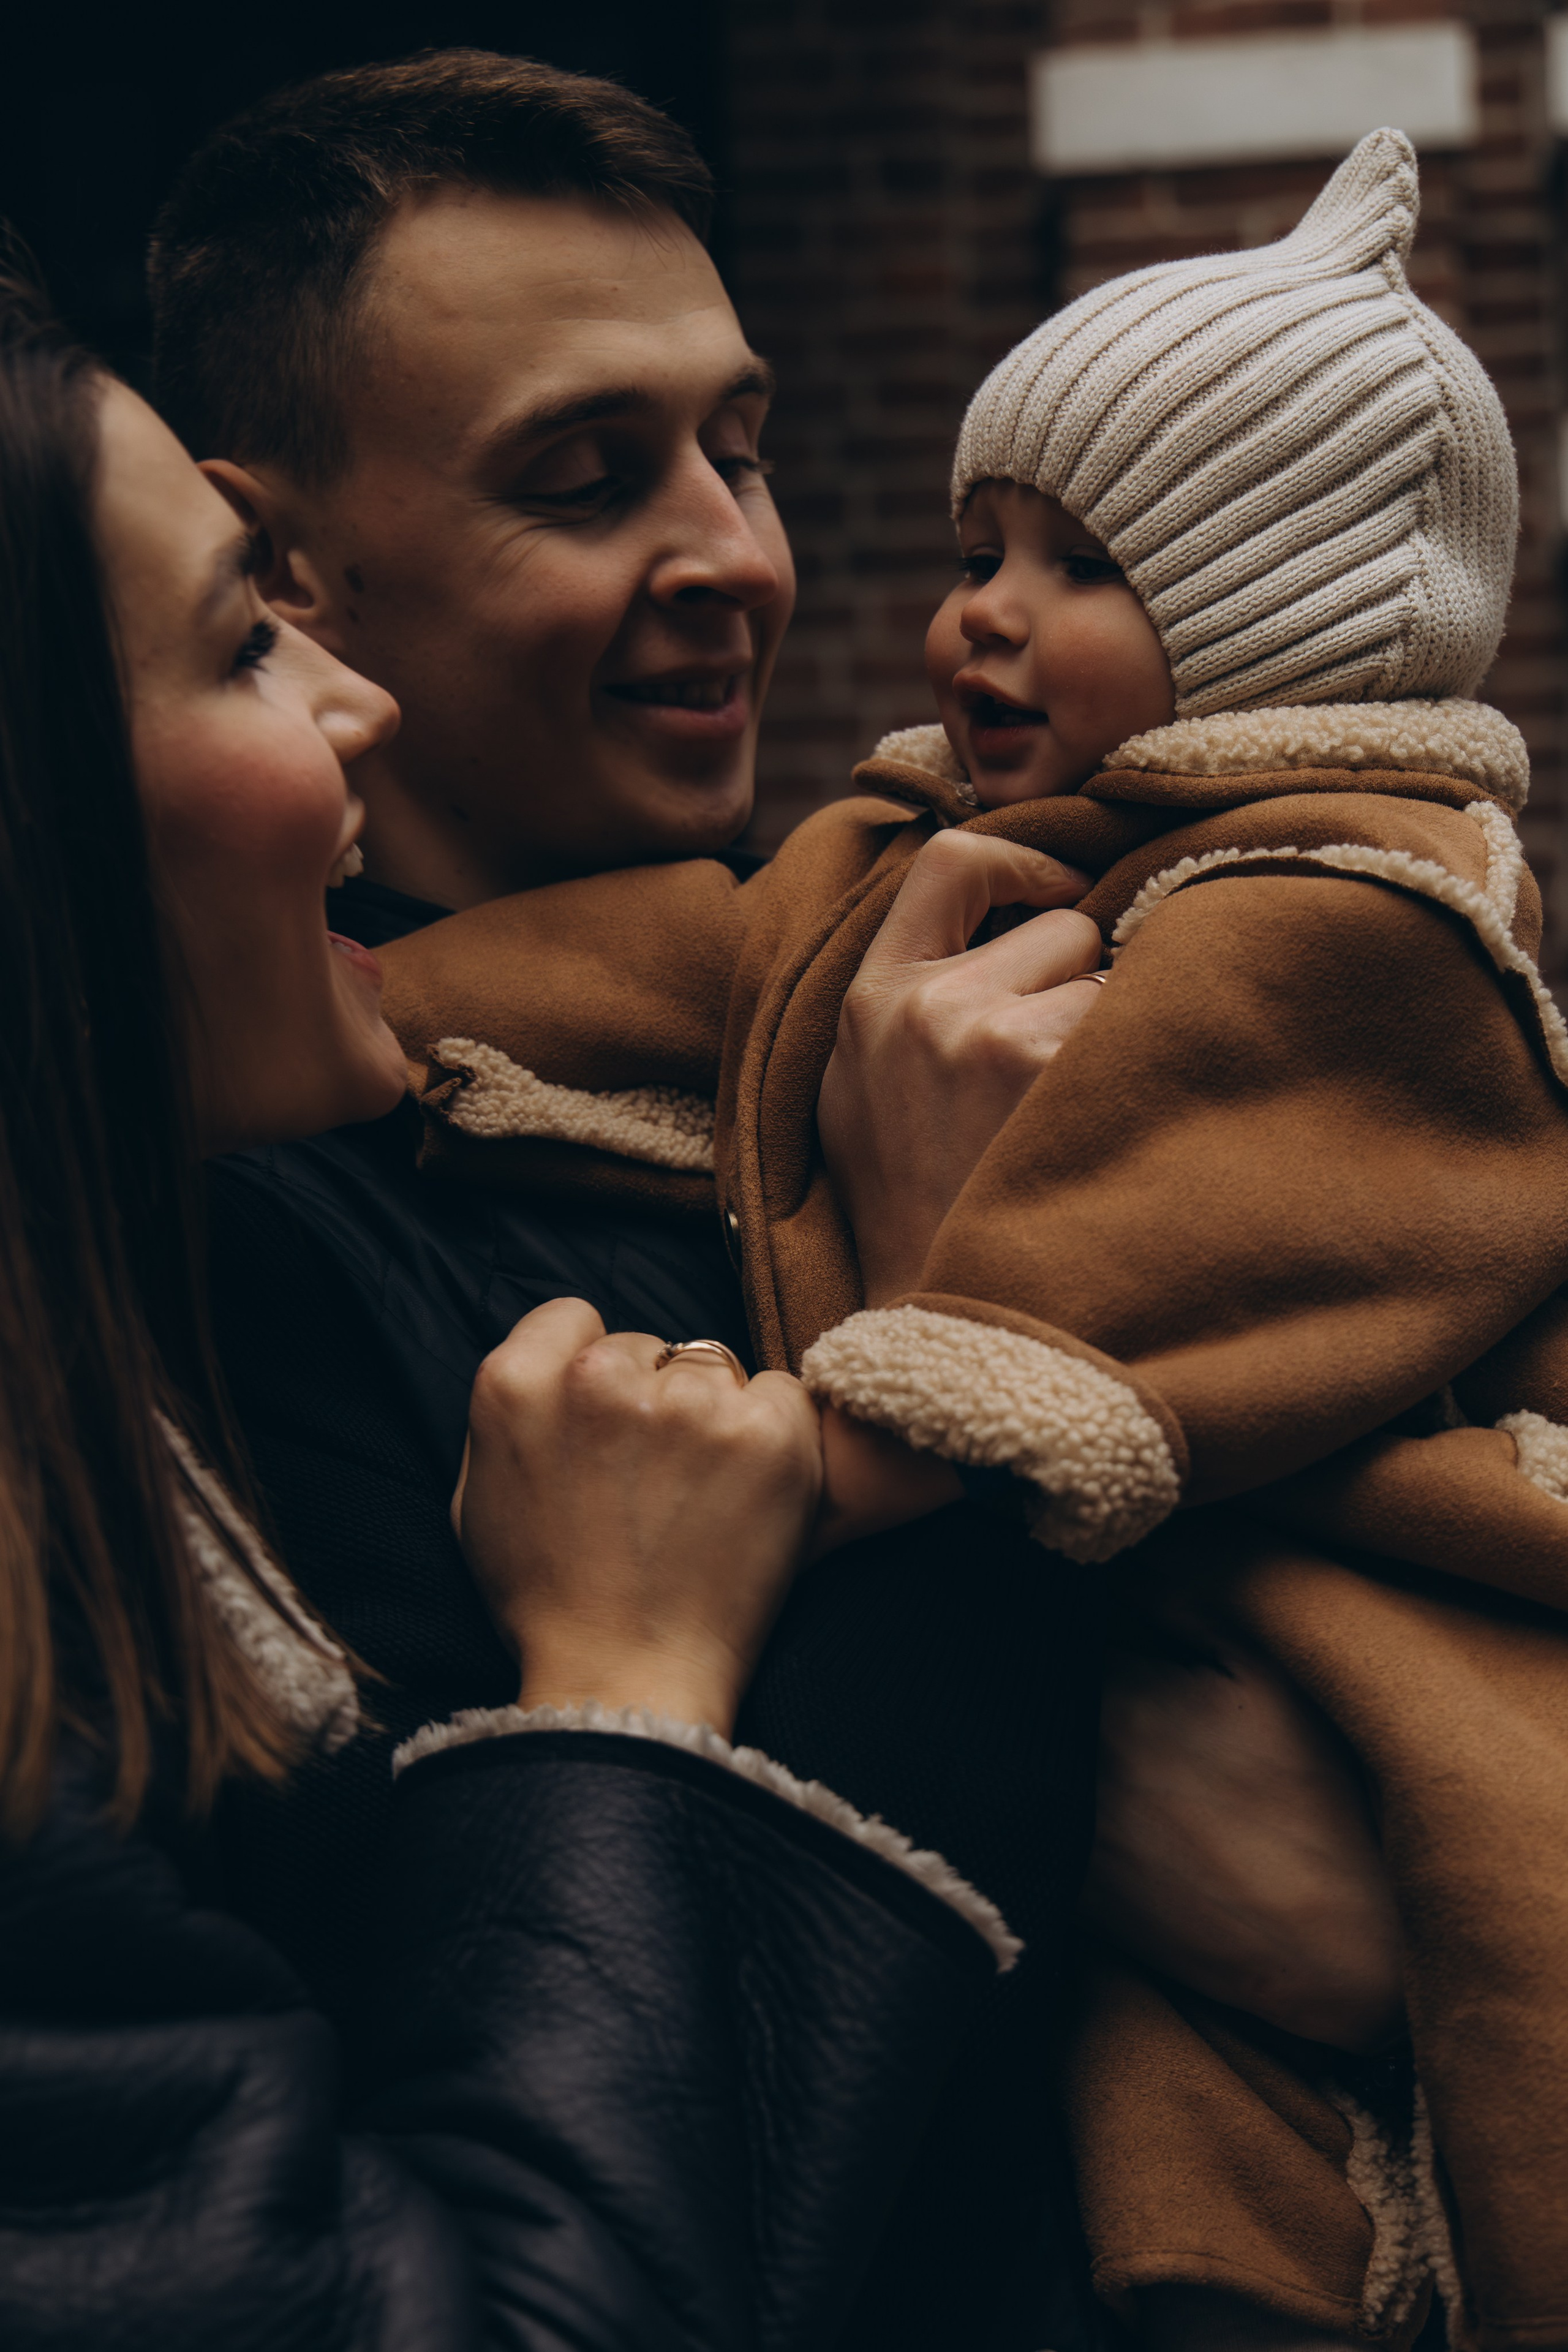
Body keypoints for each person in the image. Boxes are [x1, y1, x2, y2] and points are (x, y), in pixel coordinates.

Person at [374, 129, 1568, 2349]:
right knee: (1187, 2169)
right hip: (1137, 1699)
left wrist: (841, 1454)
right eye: (976, 543)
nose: (969, 614)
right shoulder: (960, 836)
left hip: (1382, 1568)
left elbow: (1166, 1247)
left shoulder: (1346, 912)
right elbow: (693, 968)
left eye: (1078, 565)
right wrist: (405, 1014)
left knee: (1476, 2024)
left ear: (1275, 621)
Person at [147, 50, 1112, 2351]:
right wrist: (952, 1319)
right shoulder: (245, 1239)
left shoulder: (900, 985)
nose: (741, 559)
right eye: (590, 482)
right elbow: (663, 2148)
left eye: (742, 447)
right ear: (270, 562)